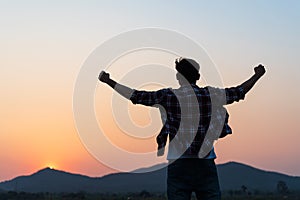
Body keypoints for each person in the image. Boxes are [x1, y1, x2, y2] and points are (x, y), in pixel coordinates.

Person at [98, 58, 266, 200]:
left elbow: (136, 96)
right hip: (205, 163)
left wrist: (109, 81)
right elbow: (238, 92)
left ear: (178, 78)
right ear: (198, 76)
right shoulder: (210, 95)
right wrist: (257, 75)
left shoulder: (168, 96)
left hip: (179, 164)